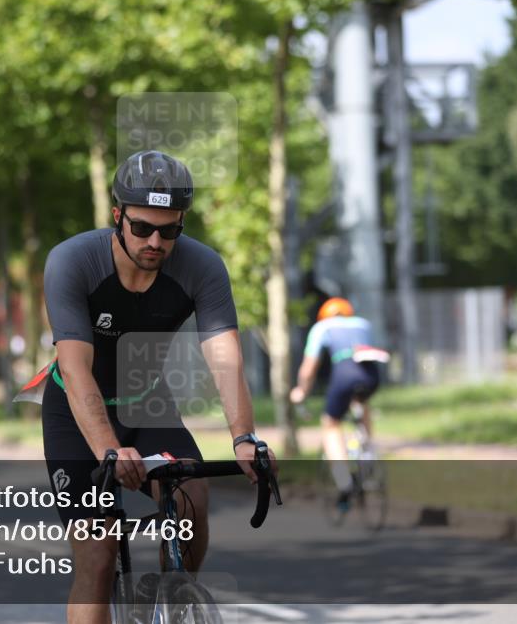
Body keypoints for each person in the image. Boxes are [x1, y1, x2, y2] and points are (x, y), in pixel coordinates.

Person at [42, 149, 277, 623]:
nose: (155, 241)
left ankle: (172, 596)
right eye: (142, 227)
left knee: (193, 499)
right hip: (76, 409)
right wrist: (110, 449)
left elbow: (224, 356)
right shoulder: (72, 261)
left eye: (170, 230)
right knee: (99, 552)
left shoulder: (202, 266)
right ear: (117, 216)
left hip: (146, 402)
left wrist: (244, 436)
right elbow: (76, 367)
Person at [289, 297, 386, 511]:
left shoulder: (321, 327)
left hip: (344, 374)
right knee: (363, 404)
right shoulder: (363, 323)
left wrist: (301, 392)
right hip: (371, 374)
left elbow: (308, 368)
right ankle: (368, 454)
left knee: (331, 424)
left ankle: (344, 482)